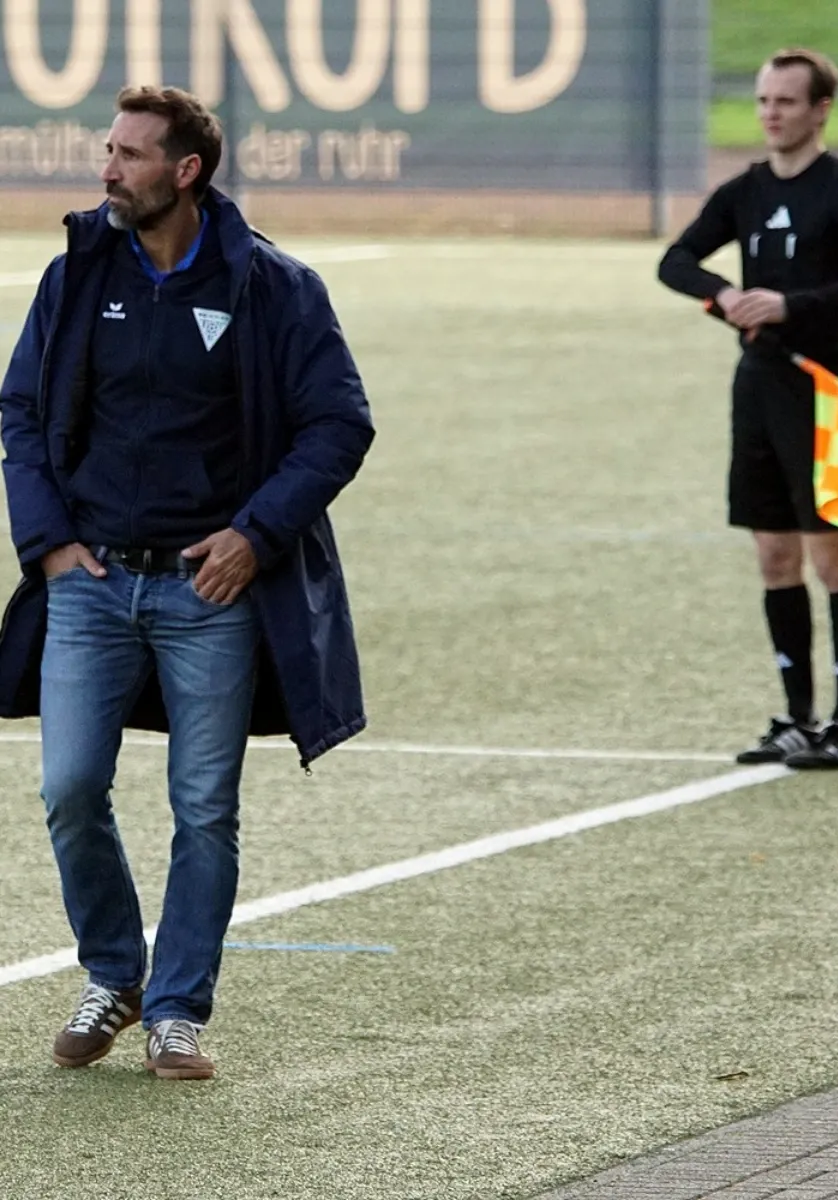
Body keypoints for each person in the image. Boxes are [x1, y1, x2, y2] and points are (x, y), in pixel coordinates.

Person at [0, 86, 374, 1078]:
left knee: (203, 807)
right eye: (109, 150)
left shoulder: (273, 286)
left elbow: (339, 423)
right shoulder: (78, 274)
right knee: (69, 789)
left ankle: (176, 1010)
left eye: (129, 155)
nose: (108, 170)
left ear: (186, 170)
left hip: (209, 593)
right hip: (89, 584)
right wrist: (48, 542)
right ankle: (114, 975)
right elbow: (20, 410)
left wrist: (255, 535)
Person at [658, 47, 838, 769]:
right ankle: (796, 718)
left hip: (826, 391)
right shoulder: (746, 191)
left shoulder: (835, 187)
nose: (770, 113)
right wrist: (724, 296)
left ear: (821, 110)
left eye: (786, 101)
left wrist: (791, 306)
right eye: (764, 100)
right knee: (773, 553)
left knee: (831, 554)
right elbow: (676, 261)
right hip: (759, 387)